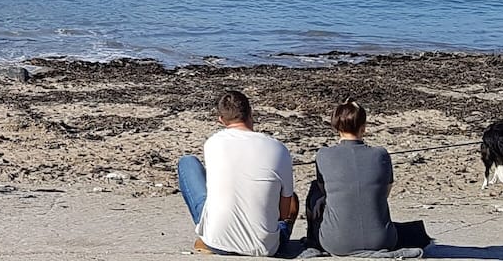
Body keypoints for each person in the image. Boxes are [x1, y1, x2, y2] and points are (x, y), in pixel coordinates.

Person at [176, 90, 299, 257]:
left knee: (187, 162)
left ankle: (210, 231)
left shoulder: (213, 143)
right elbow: (283, 213)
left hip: (216, 241)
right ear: (250, 113)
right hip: (263, 248)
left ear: (221, 119)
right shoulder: (279, 149)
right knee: (291, 199)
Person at [301, 102, 431, 259]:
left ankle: (312, 240)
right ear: (363, 127)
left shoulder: (324, 154)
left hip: (335, 243)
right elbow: (384, 193)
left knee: (316, 188)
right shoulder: (381, 154)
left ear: (336, 126)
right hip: (382, 240)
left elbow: (324, 192)